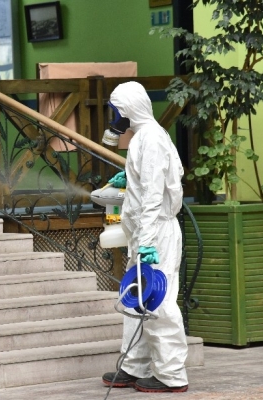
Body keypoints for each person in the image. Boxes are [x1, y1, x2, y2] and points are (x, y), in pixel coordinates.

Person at [101, 81, 189, 393]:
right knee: (135, 300)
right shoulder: (146, 136)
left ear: (127, 110)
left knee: (158, 302)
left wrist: (148, 242)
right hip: (145, 233)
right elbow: (167, 175)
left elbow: (154, 196)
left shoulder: (150, 138)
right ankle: (133, 365)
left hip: (155, 234)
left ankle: (171, 375)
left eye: (115, 111)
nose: (114, 118)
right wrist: (130, 178)